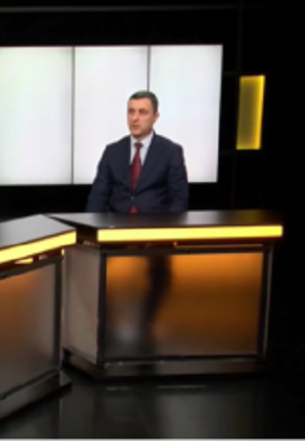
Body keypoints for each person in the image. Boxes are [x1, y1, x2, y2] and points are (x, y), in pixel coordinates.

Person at [86, 91, 188, 355]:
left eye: (142, 112)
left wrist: (167, 234)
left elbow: (179, 198)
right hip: (115, 233)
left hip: (154, 235)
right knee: (99, 274)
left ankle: (147, 324)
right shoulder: (113, 151)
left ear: (155, 117)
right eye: (131, 112)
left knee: (160, 272)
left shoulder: (171, 151)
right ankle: (107, 329)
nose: (135, 118)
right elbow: (98, 194)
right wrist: (91, 232)